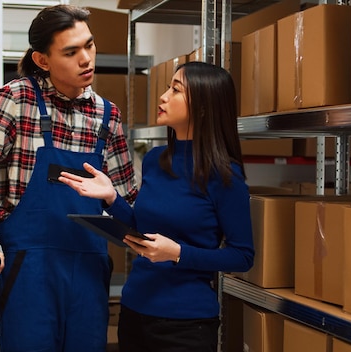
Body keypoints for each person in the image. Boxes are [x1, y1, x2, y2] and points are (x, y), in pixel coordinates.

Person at [0, 5, 138, 351]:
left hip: (88, 266)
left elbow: (129, 197)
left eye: (90, 45)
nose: (86, 59)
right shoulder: (15, 100)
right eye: (71, 52)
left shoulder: (107, 116)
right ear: (42, 60)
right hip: (29, 268)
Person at [58, 61, 255, 352]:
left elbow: (242, 256)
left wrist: (178, 254)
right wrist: (111, 198)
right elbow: (141, 229)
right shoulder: (155, 159)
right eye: (167, 87)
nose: (163, 96)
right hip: (135, 309)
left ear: (203, 107)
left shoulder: (225, 176)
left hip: (185, 325)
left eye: (175, 90)